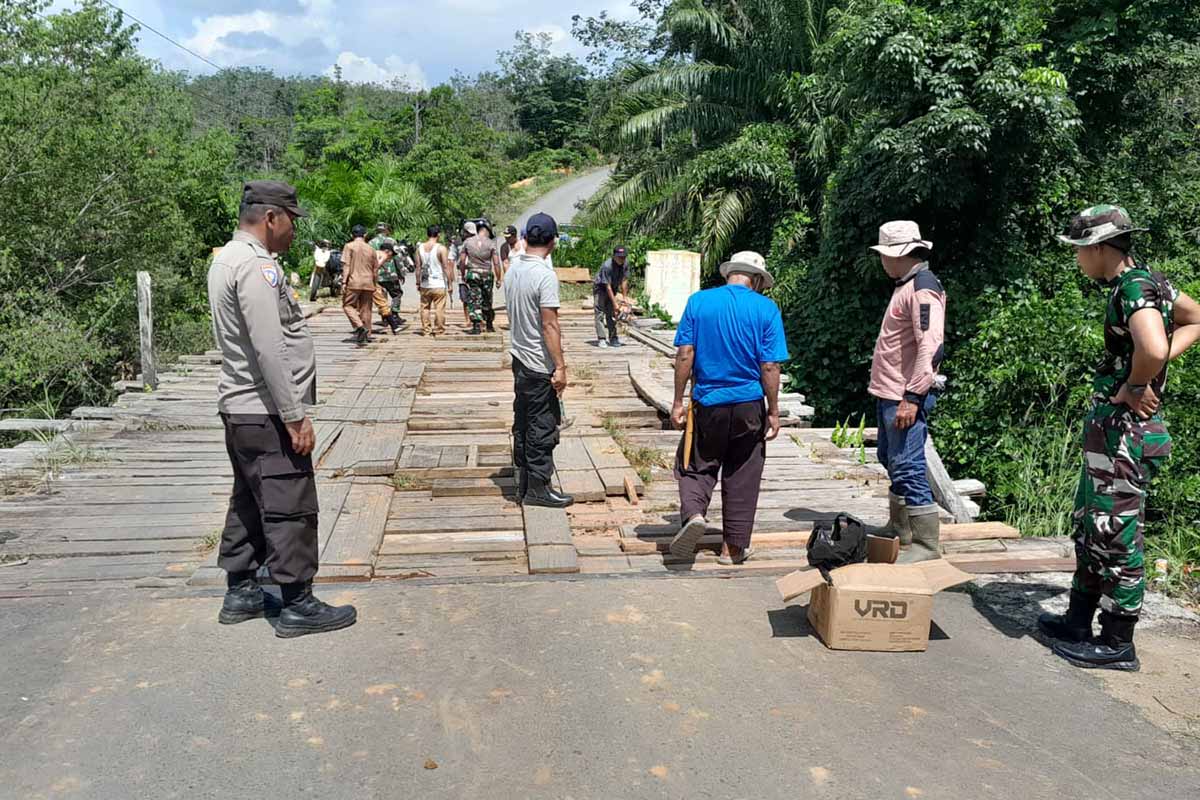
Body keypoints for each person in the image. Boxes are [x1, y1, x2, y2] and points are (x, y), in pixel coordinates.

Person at [1037, 205, 1200, 671]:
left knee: (1117, 532)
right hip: (1112, 434)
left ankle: (1116, 641)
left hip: (1126, 434)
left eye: (1079, 252)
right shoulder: (1152, 281)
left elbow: (1151, 346)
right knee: (1093, 523)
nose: (1077, 262)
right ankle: (1077, 621)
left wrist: (1136, 383)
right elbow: (1193, 319)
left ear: (1098, 249)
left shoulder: (1133, 288)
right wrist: (1150, 369)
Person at [206, 180, 356, 638]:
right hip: (265, 407)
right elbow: (269, 347)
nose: (294, 230)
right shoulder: (256, 267)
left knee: (249, 500)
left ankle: (243, 590)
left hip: (239, 407)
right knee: (290, 503)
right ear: (271, 217)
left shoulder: (225, 259)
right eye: (291, 220)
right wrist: (294, 415)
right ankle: (297, 603)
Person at [668, 251, 788, 564]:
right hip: (749, 404)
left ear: (729, 273)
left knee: (695, 464)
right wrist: (773, 411)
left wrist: (678, 401)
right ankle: (732, 549)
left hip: (708, 403)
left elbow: (685, 354)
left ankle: (694, 514)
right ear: (758, 279)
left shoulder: (699, 302)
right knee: (743, 471)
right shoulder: (766, 309)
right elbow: (770, 366)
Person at [865, 221, 946, 564]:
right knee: (890, 458)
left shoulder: (923, 288)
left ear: (898, 255)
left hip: (904, 393)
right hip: (890, 391)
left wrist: (912, 397)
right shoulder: (907, 285)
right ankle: (901, 529)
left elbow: (932, 345)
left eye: (885, 255)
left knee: (907, 464)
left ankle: (926, 545)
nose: (882, 262)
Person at [507, 212, 572, 508]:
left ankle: (524, 480)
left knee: (522, 421)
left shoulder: (513, 268)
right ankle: (537, 489)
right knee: (542, 427)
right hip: (538, 364)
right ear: (552, 241)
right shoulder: (544, 275)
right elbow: (549, 325)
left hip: (519, 357)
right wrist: (559, 366)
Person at [459, 218, 503, 335]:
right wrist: (499, 278)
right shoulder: (491, 243)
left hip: (473, 273)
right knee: (487, 298)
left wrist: (463, 274)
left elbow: (462, 261)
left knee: (474, 299)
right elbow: (496, 263)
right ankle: (489, 323)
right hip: (486, 274)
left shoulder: (467, 243)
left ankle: (476, 325)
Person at [341, 224, 378, 345]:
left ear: (352, 235)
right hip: (368, 282)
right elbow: (375, 269)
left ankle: (360, 326)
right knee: (366, 309)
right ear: (365, 235)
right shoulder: (371, 249)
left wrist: (343, 282)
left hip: (354, 281)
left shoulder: (349, 246)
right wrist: (375, 283)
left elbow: (346, 265)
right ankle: (367, 335)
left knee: (347, 305)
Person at [416, 224, 453, 336]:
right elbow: (446, 267)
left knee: (425, 307)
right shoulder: (441, 248)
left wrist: (418, 282)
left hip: (425, 283)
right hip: (439, 283)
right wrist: (450, 283)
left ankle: (426, 329)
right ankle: (439, 329)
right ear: (438, 235)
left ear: (427, 234)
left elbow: (418, 267)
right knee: (439, 308)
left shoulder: (420, 248)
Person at [593, 245, 630, 348]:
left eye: (623, 257)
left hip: (612, 287)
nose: (621, 259)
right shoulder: (607, 266)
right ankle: (601, 339)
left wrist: (624, 298)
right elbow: (607, 286)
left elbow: (624, 280)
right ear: (614, 256)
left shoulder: (625, 264)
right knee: (600, 312)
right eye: (619, 257)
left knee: (612, 314)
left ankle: (613, 338)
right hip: (601, 288)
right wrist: (615, 303)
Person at [373, 241, 404, 335]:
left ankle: (386, 319)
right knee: (396, 295)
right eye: (391, 254)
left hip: (377, 279)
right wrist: (401, 274)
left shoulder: (373, 251)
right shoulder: (385, 255)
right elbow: (376, 267)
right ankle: (394, 315)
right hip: (389, 278)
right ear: (388, 251)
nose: (391, 257)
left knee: (381, 298)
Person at [449, 230, 471, 327]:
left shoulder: (477, 242)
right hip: (462, 274)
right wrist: (450, 275)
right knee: (464, 298)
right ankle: (467, 319)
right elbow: (451, 259)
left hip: (474, 272)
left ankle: (478, 319)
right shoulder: (457, 244)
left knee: (477, 297)